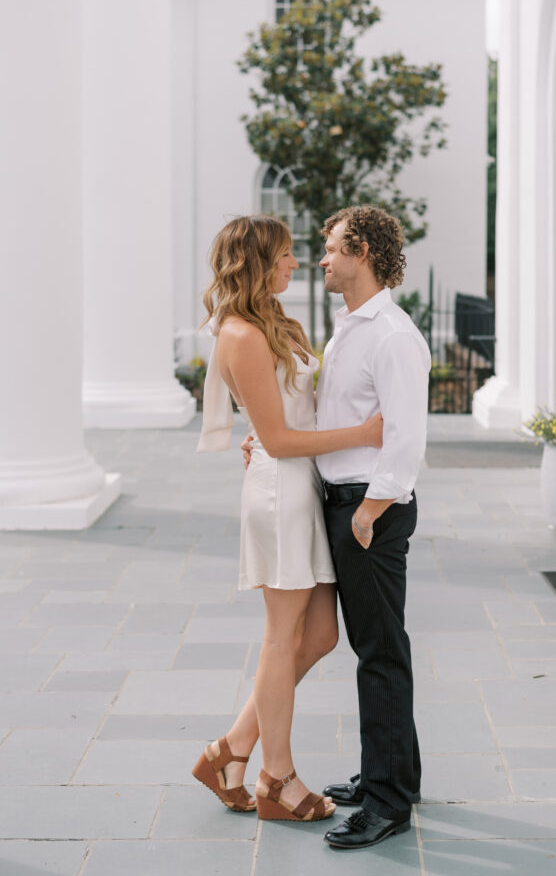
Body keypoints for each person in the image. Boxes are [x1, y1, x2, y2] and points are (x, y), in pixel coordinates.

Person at [192, 215, 383, 824]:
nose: (296, 264)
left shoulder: (279, 323)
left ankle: (230, 750)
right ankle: (277, 776)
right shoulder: (240, 334)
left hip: (307, 486)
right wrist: (364, 434)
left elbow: (289, 413)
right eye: (284, 255)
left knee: (321, 635)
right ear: (254, 261)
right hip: (280, 494)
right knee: (281, 638)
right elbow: (275, 437)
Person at [316, 206, 430, 850]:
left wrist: (368, 510)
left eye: (332, 248)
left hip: (369, 511)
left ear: (360, 250)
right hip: (347, 502)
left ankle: (387, 804)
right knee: (377, 648)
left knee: (380, 655)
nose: (324, 259)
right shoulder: (350, 328)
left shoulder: (390, 333)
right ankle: (395, 777)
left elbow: (406, 436)